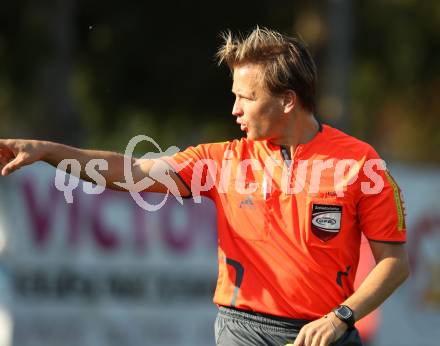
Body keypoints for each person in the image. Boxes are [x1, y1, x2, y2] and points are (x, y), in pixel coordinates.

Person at [0, 27, 409, 346]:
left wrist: (340, 318)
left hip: (329, 331)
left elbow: (394, 263)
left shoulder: (360, 163)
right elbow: (134, 171)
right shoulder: (222, 160)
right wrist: (51, 151)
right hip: (244, 329)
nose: (234, 110)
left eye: (246, 98)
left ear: (287, 101)